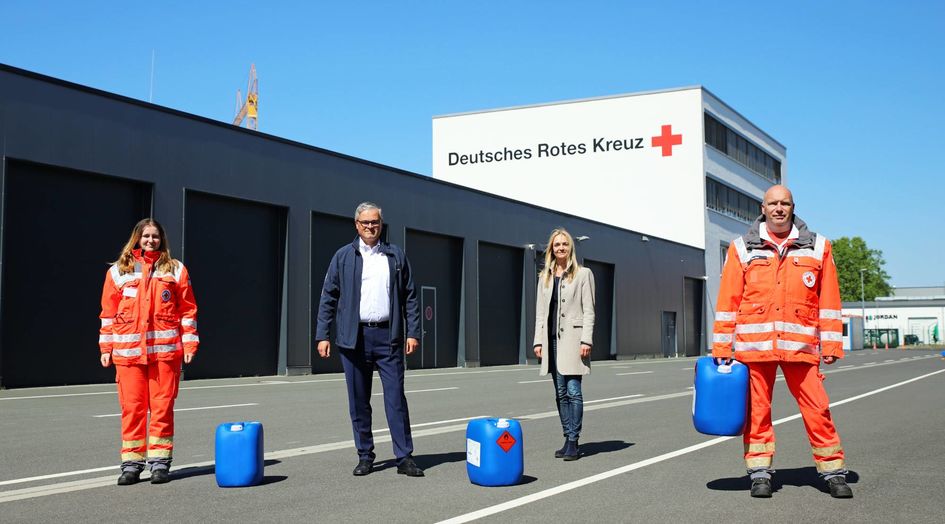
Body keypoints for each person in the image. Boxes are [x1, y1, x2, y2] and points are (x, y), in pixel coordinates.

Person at [712, 185, 852, 498]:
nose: (778, 208)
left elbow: (829, 300)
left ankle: (833, 472)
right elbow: (728, 300)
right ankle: (760, 472)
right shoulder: (742, 248)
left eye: (784, 203)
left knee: (818, 409)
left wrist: (831, 345)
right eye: (773, 203)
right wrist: (722, 348)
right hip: (754, 348)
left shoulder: (818, 247)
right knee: (757, 413)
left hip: (800, 347)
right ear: (763, 207)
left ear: (792, 207)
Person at [315, 202, 424, 477]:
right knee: (359, 400)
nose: (370, 227)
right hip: (354, 338)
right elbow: (328, 297)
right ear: (356, 225)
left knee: (395, 399)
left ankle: (404, 457)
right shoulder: (343, 256)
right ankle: (365, 456)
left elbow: (410, 296)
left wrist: (412, 332)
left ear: (381, 224)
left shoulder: (395, 256)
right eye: (365, 223)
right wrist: (322, 335)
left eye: (375, 222)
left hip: (389, 337)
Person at [98, 218, 199, 486]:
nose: (150, 240)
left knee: (162, 408)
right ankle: (131, 464)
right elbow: (107, 315)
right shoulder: (118, 272)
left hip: (165, 355)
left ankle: (159, 464)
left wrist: (190, 343)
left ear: (162, 239)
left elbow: (187, 311)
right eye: (146, 236)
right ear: (137, 239)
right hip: (128, 356)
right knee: (132, 409)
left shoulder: (176, 270)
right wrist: (105, 347)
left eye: (155, 236)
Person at [533, 228, 595, 461]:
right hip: (552, 341)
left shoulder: (583, 274)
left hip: (574, 340)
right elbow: (541, 313)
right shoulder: (545, 277)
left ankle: (573, 441)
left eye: (564, 244)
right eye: (556, 245)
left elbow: (589, 310)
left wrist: (586, 339)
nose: (560, 248)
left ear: (571, 248)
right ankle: (567, 436)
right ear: (551, 249)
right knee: (560, 393)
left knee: (573, 391)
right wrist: (538, 341)